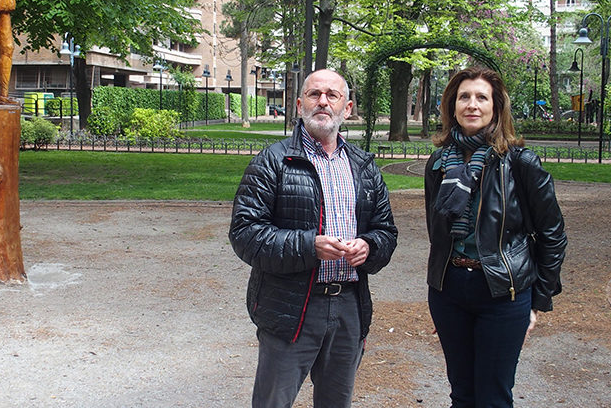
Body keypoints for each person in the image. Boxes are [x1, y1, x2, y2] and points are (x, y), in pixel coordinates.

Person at [230, 68, 398, 408]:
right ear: (298, 104)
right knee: (273, 402)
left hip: (349, 306)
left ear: (347, 108)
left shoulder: (364, 166)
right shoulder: (272, 162)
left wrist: (370, 246)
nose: (323, 102)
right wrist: (310, 247)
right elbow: (245, 233)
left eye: (332, 95)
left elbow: (386, 231)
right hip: (291, 307)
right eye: (314, 94)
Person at [424, 66, 567, 408]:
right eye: (464, 97)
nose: (472, 105)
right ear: (452, 106)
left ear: (496, 107)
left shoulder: (520, 162)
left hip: (503, 293)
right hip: (449, 291)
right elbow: (437, 232)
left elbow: (553, 234)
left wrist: (538, 302)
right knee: (462, 394)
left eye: (481, 97)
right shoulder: (439, 163)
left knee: (493, 398)